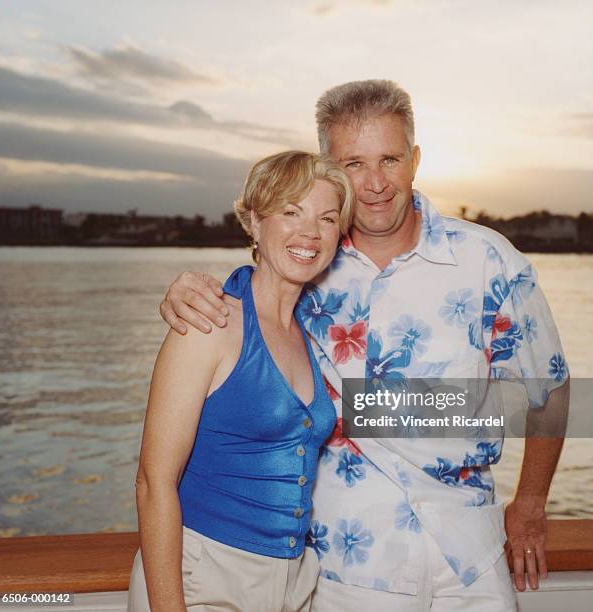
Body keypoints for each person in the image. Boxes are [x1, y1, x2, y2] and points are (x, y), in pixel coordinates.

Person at [159, 81, 570, 611]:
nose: (375, 183)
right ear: (330, 171)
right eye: (353, 164)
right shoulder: (306, 264)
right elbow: (243, 312)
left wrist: (532, 503)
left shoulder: (490, 261)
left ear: (415, 160)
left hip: (472, 561)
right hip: (344, 567)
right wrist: (183, 290)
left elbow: (551, 390)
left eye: (390, 159)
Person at [128, 150, 355, 612]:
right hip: (206, 575)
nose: (309, 231)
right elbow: (153, 482)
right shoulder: (209, 323)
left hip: (293, 583)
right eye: (291, 211)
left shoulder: (310, 333)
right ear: (254, 220)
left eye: (327, 218)